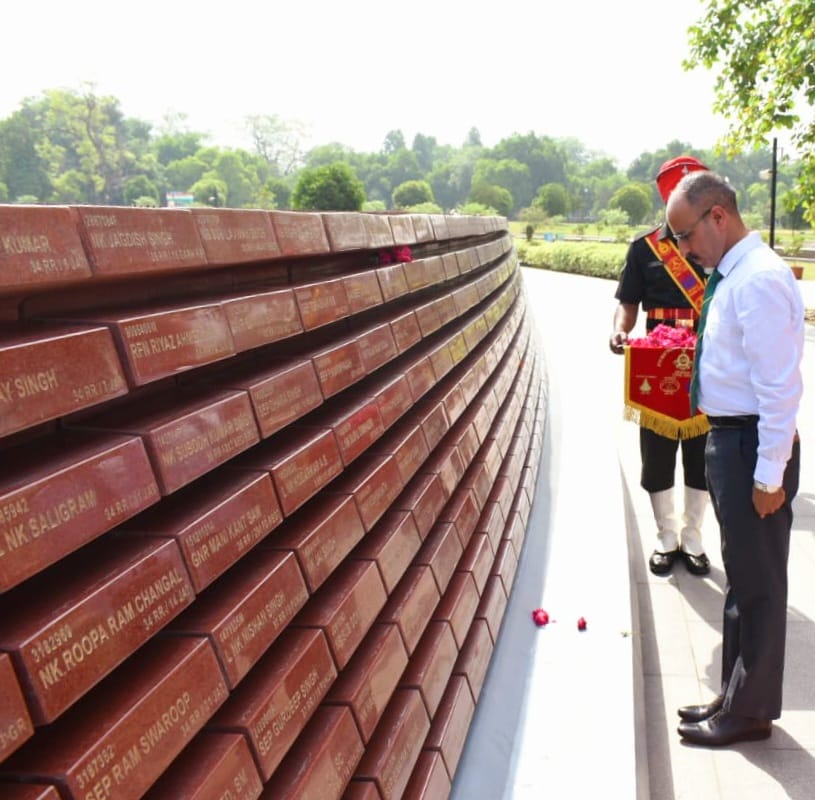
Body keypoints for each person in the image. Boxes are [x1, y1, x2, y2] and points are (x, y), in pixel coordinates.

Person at [666, 170, 804, 747]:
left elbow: (780, 388)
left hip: (752, 445)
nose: (683, 249)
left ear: (718, 216)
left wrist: (769, 475)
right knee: (742, 578)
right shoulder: (734, 274)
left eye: (686, 235)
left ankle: (749, 714)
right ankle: (735, 695)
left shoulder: (759, 280)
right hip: (731, 438)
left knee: (760, 587)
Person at [610, 156, 711, 577]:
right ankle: (666, 535)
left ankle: (693, 536)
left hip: (706, 362)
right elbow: (628, 302)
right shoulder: (645, 248)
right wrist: (620, 331)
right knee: (657, 455)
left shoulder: (716, 247)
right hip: (658, 364)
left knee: (701, 455)